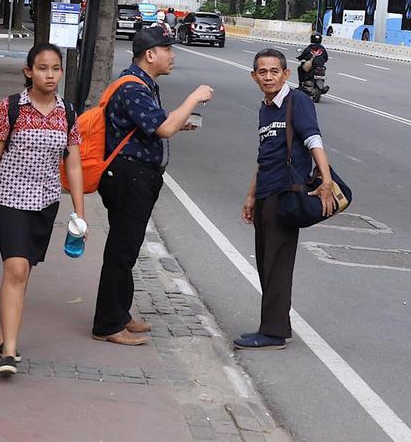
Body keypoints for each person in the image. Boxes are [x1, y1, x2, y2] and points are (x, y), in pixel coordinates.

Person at [0, 43, 86, 376]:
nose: (50, 75)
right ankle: (9, 351)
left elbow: (74, 165)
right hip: (7, 199)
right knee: (17, 268)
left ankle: (1, 335)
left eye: (55, 68)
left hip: (45, 203)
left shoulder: (68, 113)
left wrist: (80, 214)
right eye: (43, 68)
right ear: (28, 72)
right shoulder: (10, 108)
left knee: (22, 271)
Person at [92, 27, 213, 345]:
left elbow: (155, 124)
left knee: (128, 248)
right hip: (129, 177)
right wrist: (193, 98)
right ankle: (108, 324)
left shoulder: (143, 84)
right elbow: (163, 127)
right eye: (167, 49)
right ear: (150, 54)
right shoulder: (133, 87)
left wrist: (179, 122)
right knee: (122, 250)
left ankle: (121, 313)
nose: (172, 55)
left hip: (136, 177)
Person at [235, 49, 336, 350]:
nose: (268, 77)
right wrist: (251, 196)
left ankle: (274, 332)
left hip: (285, 194)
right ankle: (274, 326)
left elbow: (313, 139)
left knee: (277, 265)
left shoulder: (297, 101)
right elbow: (264, 156)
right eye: (262, 72)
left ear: (286, 74)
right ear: (254, 76)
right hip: (266, 193)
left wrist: (326, 179)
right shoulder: (265, 108)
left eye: (274, 71)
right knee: (266, 263)